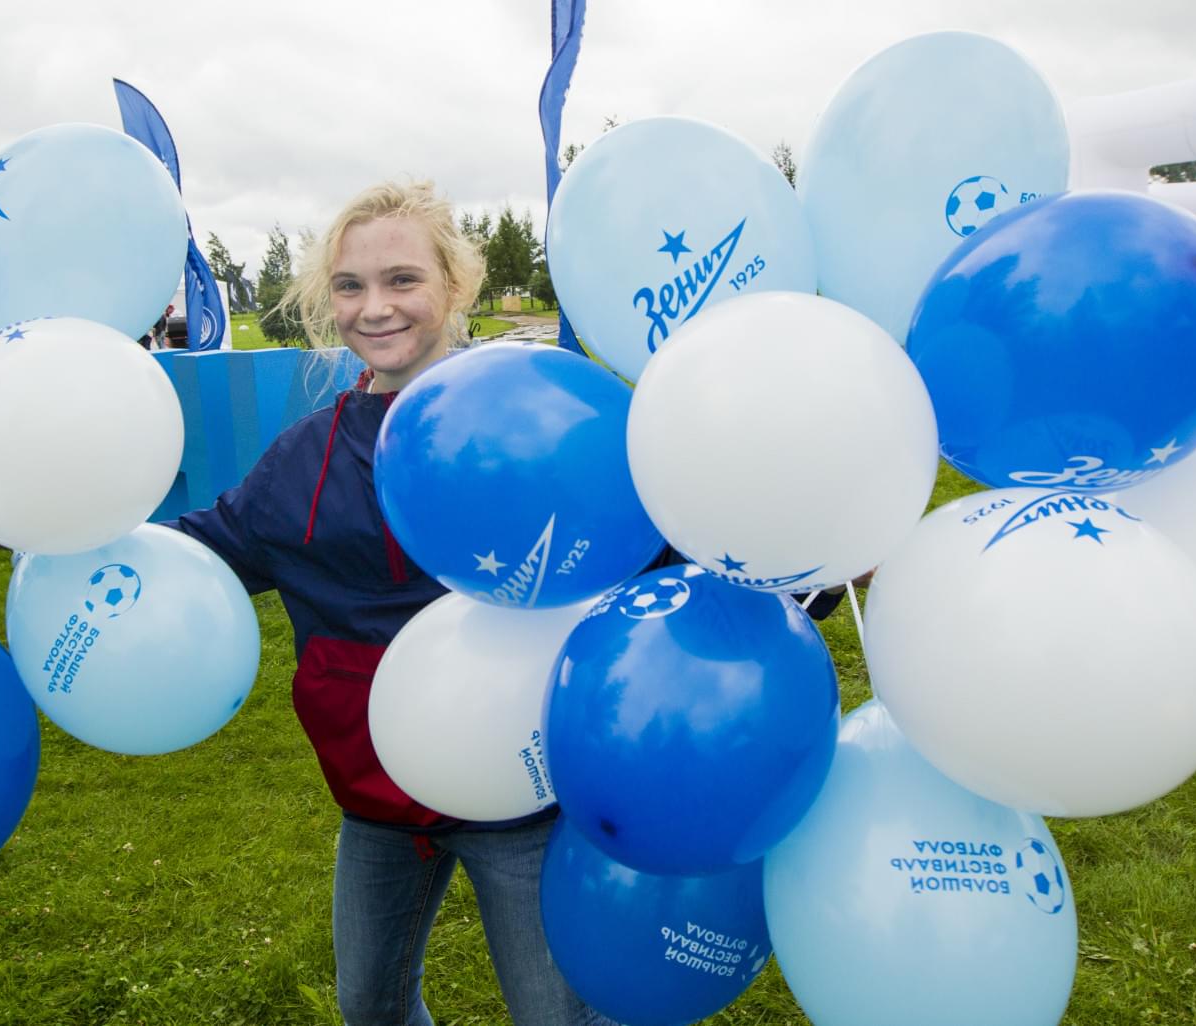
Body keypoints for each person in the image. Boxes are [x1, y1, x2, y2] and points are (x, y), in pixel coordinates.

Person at [168, 180, 841, 1024]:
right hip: (375, 802)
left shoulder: (542, 423)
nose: (375, 307)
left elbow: (673, 554)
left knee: (554, 1015)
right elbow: (207, 556)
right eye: (350, 286)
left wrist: (804, 575)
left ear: (456, 289)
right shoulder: (305, 459)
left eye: (402, 280)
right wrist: (85, 545)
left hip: (524, 796)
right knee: (367, 1007)